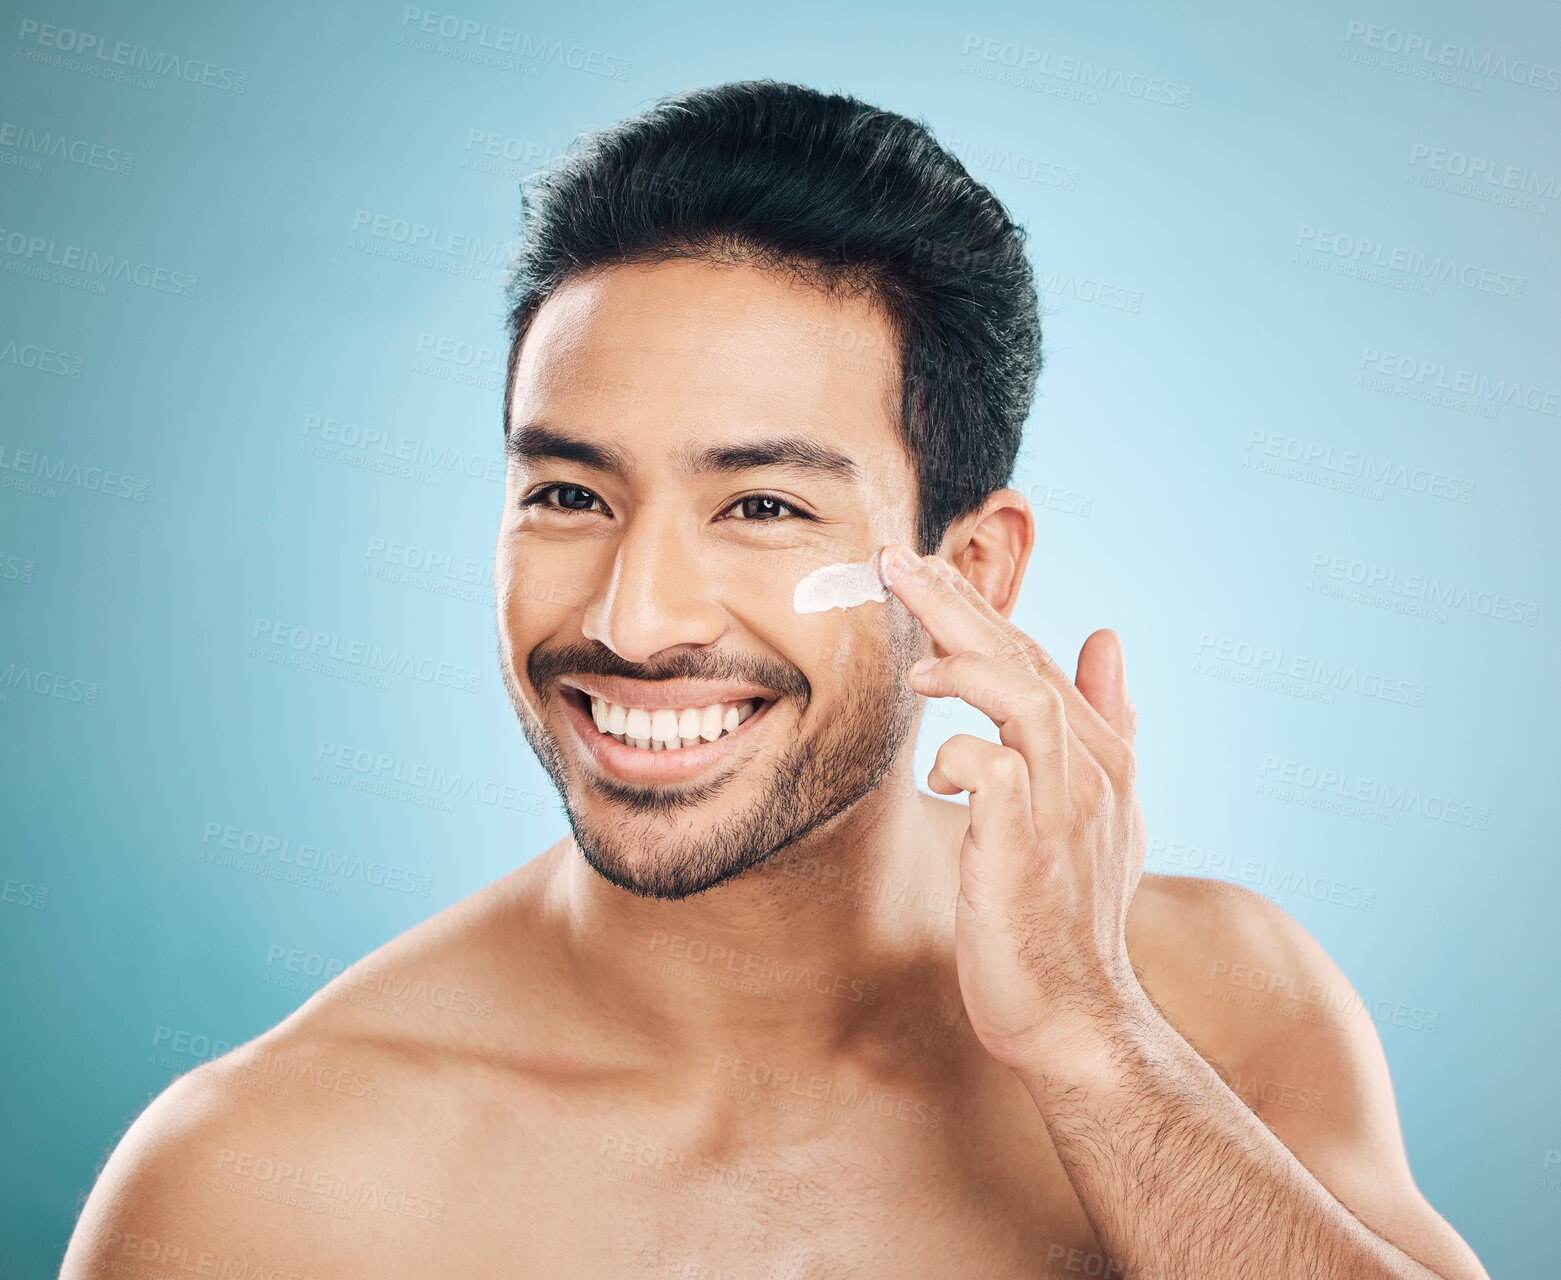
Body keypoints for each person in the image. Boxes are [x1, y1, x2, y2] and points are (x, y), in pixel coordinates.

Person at [61, 80, 1489, 1279]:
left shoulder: (1216, 1010)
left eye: (760, 508)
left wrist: (1093, 1051)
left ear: (972, 571)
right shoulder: (261, 1186)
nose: (637, 616)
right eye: (568, 493)